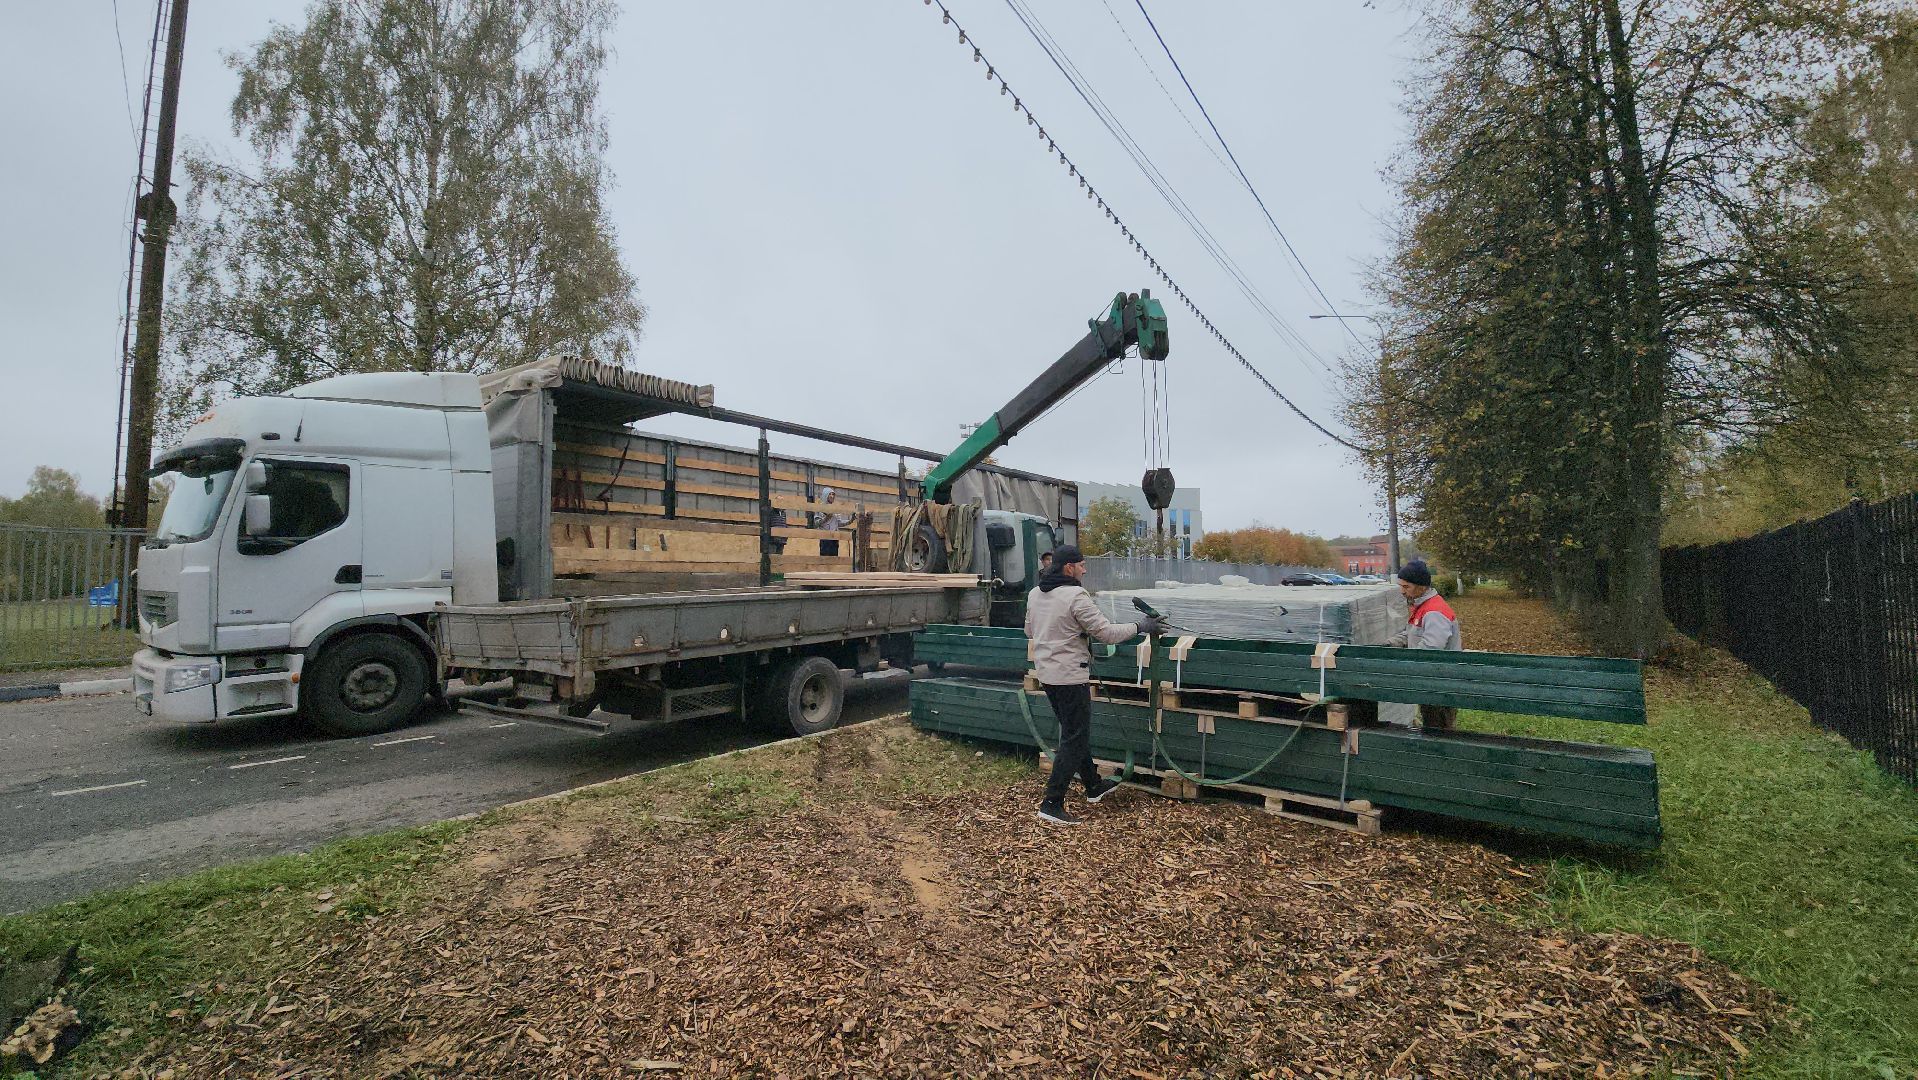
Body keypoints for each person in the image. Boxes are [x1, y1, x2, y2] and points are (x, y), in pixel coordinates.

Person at [1025, 546, 1165, 825]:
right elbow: (1107, 634)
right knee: (1074, 738)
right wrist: (1141, 626)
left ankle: (1093, 785)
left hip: (1048, 674)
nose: (1085, 570)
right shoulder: (1076, 596)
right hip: (1070, 677)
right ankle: (1051, 803)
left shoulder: (1035, 593)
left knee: (1073, 732)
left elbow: (1030, 630)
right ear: (1069, 568)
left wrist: (1064, 631)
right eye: (1081, 565)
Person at [1393, 559, 1462, 730]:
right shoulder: (1423, 606)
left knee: (1438, 727)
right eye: (1401, 586)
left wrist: (1404, 663)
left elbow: (1431, 648)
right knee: (1431, 722)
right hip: (1430, 680)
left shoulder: (1434, 612)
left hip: (1439, 684)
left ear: (1422, 587)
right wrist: (1387, 645)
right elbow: (1410, 634)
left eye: (1406, 587)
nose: (1402, 591)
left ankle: (1442, 754)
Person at [816, 487, 850, 557]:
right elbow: (816, 523)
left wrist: (850, 521)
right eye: (830, 494)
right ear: (825, 495)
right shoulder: (820, 508)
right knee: (824, 561)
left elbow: (839, 523)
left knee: (834, 561)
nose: (832, 496)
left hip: (835, 538)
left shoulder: (836, 509)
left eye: (833, 494)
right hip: (825, 538)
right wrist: (826, 518)